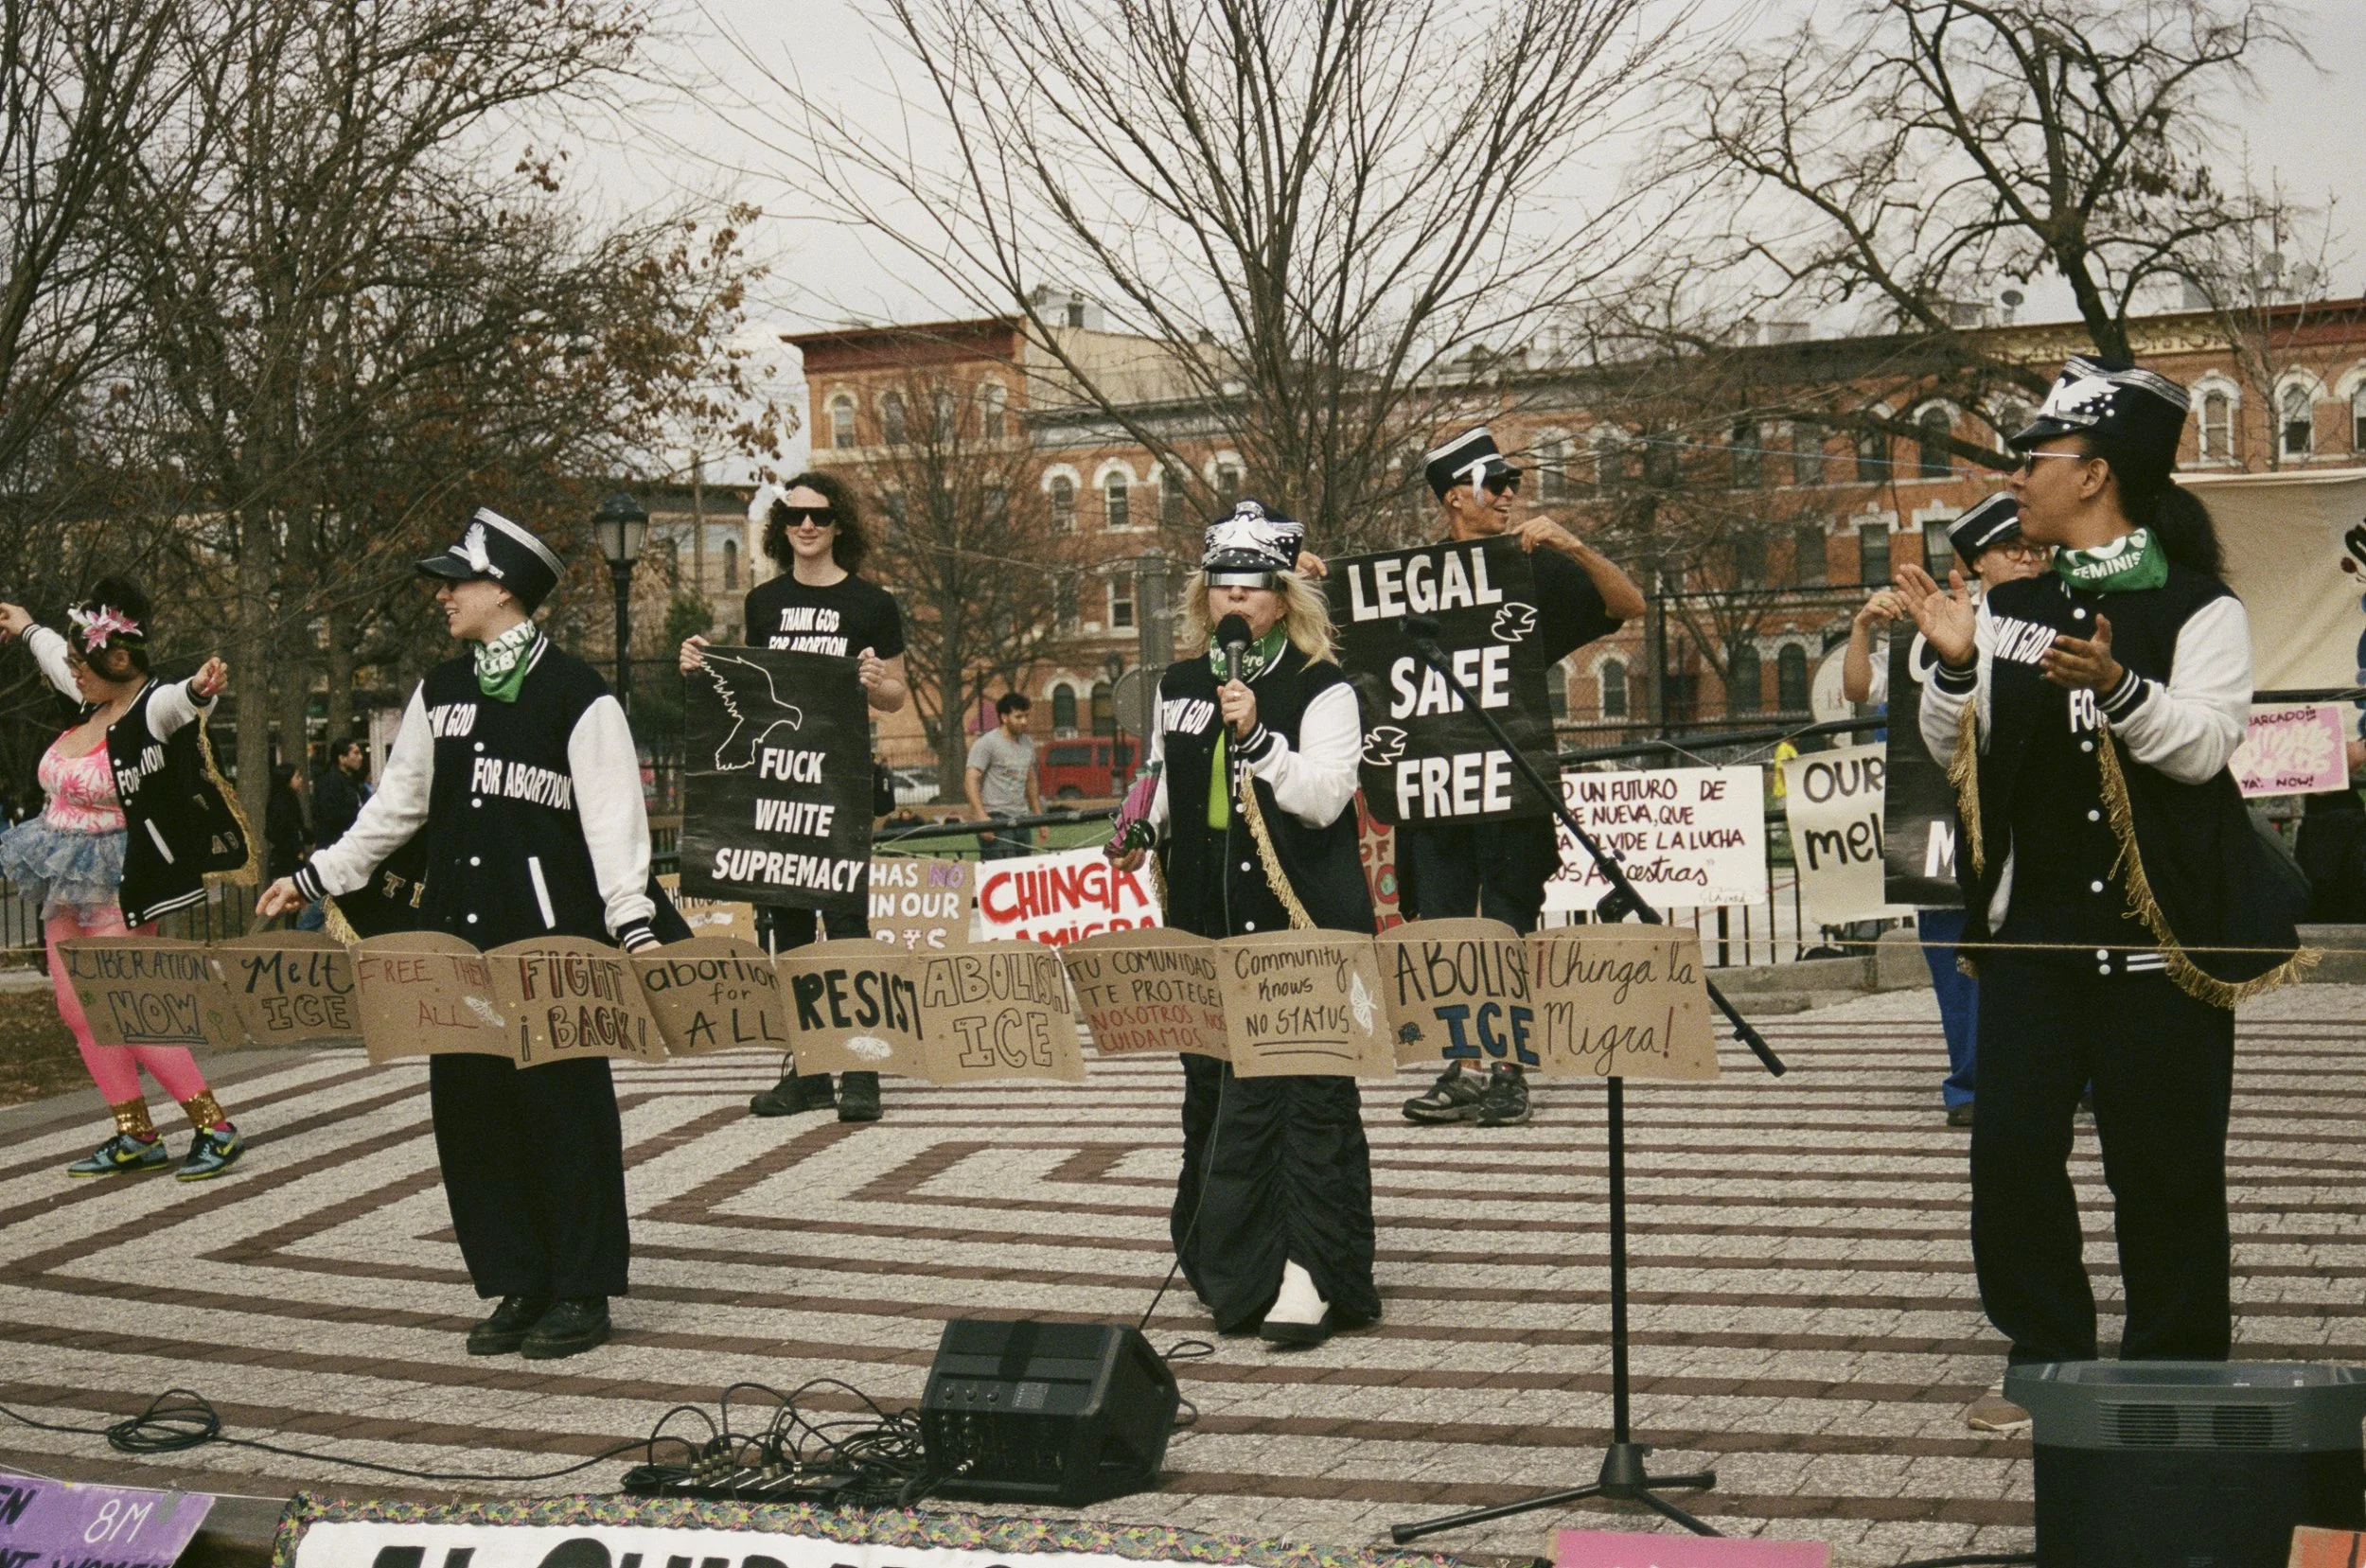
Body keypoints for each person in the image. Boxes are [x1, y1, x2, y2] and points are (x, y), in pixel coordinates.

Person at [1896, 356, 2306, 1435]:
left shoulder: (2200, 605)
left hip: (2161, 939)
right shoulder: (2008, 605)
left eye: (2036, 458)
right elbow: (1954, 751)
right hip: (2033, 939)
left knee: (2165, 1165)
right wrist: (1953, 668)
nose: (2016, 475)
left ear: (2095, 474)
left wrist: (2120, 688)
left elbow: (2205, 745)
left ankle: (2175, 1364)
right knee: (2011, 1160)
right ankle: (2045, 1356)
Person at [257, 506, 661, 1361]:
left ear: (504, 587)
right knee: (473, 1117)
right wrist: (314, 875)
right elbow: (394, 809)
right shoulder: (439, 690)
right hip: (454, 944)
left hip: (551, 945)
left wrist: (635, 929)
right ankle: (519, 1279)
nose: (443, 596)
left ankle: (581, 1288)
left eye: (457, 581)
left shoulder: (580, 694)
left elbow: (615, 825)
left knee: (564, 1114)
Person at [1107, 500, 1379, 1348]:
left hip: (1299, 916)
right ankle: (1234, 1261)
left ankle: (1311, 1268)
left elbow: (1324, 797)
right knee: (1215, 1090)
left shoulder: (1323, 687)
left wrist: (1259, 737)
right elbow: (1161, 774)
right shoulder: (1179, 685)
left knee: (1305, 1094)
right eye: (1221, 582)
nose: (1235, 597)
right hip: (1208, 918)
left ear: (1283, 594)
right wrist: (1138, 822)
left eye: (1253, 584)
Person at [1396, 427, 1645, 1127]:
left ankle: (1508, 1068)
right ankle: (1464, 1067)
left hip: (1512, 779)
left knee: (1507, 919)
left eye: (1512, 484)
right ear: (1454, 497)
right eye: (1494, 484)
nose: (1509, 495)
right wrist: (1305, 578)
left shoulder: (1530, 568)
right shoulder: (1409, 581)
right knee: (1447, 926)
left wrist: (1574, 546)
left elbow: (1629, 606)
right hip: (1438, 784)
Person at [0, 581, 249, 1180]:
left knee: (125, 1003)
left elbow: (181, 703)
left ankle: (214, 1126)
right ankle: (134, 1132)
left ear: (116, 659)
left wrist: (200, 689)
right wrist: (25, 625)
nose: (72, 673)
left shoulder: (151, 708)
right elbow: (52, 657)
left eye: (82, 663)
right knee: (76, 1007)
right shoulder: (89, 700)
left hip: (122, 880)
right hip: (62, 875)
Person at [680, 472, 907, 1125]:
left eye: (820, 516)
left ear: (840, 525)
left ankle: (860, 1069)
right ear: (782, 526)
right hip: (774, 784)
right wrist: (700, 663)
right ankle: (808, 1071)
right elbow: (751, 687)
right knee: (786, 928)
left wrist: (875, 681)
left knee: (846, 924)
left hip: (838, 785)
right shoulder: (765, 602)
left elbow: (896, 694)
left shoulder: (872, 603)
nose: (807, 526)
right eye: (795, 515)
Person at [1844, 494, 2050, 1127]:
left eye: (2036, 548)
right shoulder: (1936, 624)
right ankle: (1973, 1082)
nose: (2028, 558)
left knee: (2052, 949)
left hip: (2033, 822)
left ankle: (2067, 1073)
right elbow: (1861, 689)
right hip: (1943, 824)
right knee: (1960, 964)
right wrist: (1861, 629)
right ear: (1977, 562)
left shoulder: (2063, 617)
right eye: (2011, 548)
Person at [965, 692, 1041, 859]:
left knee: (1022, 870)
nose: (1024, 721)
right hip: (996, 817)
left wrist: (1039, 817)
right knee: (1002, 870)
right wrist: (982, 817)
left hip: (1022, 818)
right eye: (1018, 717)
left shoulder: (1027, 743)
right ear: (1004, 717)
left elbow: (1030, 780)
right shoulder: (987, 743)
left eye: (1026, 716)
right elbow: (971, 779)